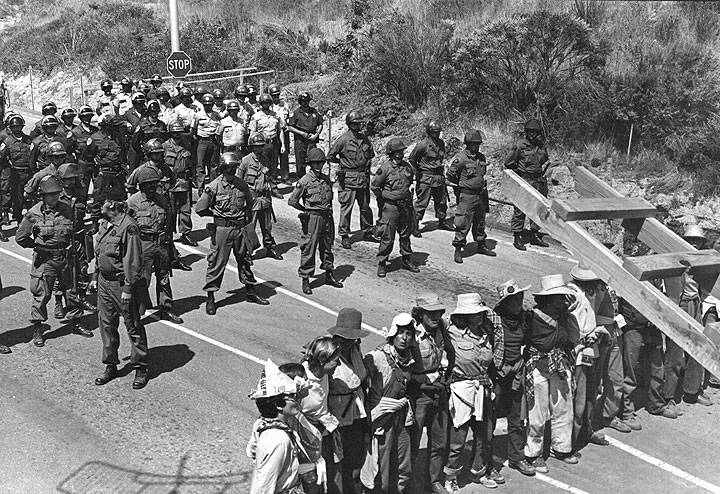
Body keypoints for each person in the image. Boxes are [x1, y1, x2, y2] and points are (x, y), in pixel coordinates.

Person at [443, 293, 504, 492]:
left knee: (484, 434)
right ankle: (450, 476)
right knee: (458, 437)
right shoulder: (451, 332)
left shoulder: (487, 332)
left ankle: (478, 470)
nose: (479, 316)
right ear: (464, 316)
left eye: (480, 312)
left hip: (482, 388)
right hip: (461, 390)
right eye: (474, 313)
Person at [196, 152, 269, 315]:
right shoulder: (214, 186)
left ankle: (250, 291)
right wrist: (217, 215)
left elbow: (250, 204)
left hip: (240, 229)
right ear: (222, 169)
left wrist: (247, 225)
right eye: (228, 168)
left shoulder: (242, 185)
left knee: (245, 260)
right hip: (222, 230)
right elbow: (200, 209)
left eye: (234, 168)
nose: (231, 171)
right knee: (216, 262)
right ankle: (210, 298)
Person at [93, 199, 149, 390]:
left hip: (121, 284)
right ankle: (111, 365)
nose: (97, 203)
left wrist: (127, 288)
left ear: (112, 206)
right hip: (103, 282)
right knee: (106, 324)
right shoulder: (104, 223)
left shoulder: (128, 227)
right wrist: (95, 276)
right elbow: (99, 252)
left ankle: (141, 366)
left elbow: (133, 261)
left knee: (132, 324)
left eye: (102, 202)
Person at [524, 274, 579, 473]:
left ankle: (562, 448)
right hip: (538, 366)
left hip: (560, 365)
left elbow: (573, 339)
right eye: (558, 297)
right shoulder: (531, 317)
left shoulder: (565, 317)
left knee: (563, 408)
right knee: (537, 413)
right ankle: (533, 453)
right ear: (547, 299)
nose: (562, 301)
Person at [15, 175, 75, 347]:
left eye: (56, 193)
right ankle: (38, 329)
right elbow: (20, 237)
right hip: (45, 260)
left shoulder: (67, 209)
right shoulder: (33, 213)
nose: (55, 197)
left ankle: (76, 322)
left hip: (64, 257)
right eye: (51, 194)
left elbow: (73, 232)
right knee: (42, 295)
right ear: (42, 195)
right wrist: (37, 246)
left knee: (71, 291)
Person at [361, 313, 416, 494]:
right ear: (393, 334)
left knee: (404, 463)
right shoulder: (376, 357)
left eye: (408, 334)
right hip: (382, 417)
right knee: (381, 464)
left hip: (401, 415)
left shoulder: (410, 358)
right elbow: (361, 381)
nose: (404, 338)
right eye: (400, 333)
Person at [662, 225, 713, 407]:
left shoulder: (701, 259)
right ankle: (668, 396)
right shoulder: (676, 258)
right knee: (675, 352)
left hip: (695, 302)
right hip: (680, 303)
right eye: (691, 240)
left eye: (697, 241)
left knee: (698, 348)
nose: (694, 244)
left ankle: (692, 391)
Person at [408, 293, 454, 493]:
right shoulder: (411, 334)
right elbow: (404, 369)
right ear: (420, 314)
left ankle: (433, 480)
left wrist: (446, 378)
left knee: (439, 441)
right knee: (413, 441)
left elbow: (450, 354)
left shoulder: (441, 329)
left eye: (438, 312)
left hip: (438, 390)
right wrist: (424, 384)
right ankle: (406, 483)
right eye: (431, 313)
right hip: (419, 393)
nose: (435, 316)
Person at [126, 166, 184, 324]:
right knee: (142, 280)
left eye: (155, 184)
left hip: (161, 244)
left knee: (164, 277)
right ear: (141, 186)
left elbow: (168, 222)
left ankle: (166, 308)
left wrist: (169, 244)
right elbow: (125, 227)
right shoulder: (133, 202)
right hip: (143, 245)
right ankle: (137, 312)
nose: (153, 187)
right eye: (149, 184)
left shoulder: (162, 200)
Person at [565, 265, 614, 450]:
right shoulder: (573, 292)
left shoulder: (593, 291)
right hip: (579, 350)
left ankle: (586, 430)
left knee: (592, 393)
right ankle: (569, 441)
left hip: (593, 348)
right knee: (579, 397)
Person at [492, 280, 536, 476]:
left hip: (516, 374)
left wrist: (519, 364)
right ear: (504, 303)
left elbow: (528, 343)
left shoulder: (524, 320)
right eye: (514, 299)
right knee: (489, 419)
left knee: (517, 418)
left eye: (520, 298)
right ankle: (486, 460)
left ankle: (516, 457)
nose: (519, 302)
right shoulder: (494, 321)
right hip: (498, 376)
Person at [288, 148, 343, 295]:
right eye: (315, 163)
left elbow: (329, 200)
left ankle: (329, 274)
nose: (318, 165)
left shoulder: (326, 180)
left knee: (327, 246)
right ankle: (306, 279)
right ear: (310, 164)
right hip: (312, 218)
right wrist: (305, 210)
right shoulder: (304, 181)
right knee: (309, 248)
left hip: (326, 216)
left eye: (321, 162)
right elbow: (292, 201)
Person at [326, 308, 370, 494]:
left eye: (351, 338)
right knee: (337, 464)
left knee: (355, 459)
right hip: (337, 417)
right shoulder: (326, 353)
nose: (346, 342)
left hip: (356, 414)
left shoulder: (355, 350)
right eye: (343, 338)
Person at [247, 359, 305, 494]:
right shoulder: (278, 440)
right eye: (292, 396)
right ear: (278, 404)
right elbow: (263, 488)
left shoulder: (263, 422)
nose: (297, 400)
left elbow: (251, 450)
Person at [54, 163, 95, 337]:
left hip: (77, 240)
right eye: (67, 179)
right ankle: (58, 301)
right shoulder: (55, 197)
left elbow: (85, 216)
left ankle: (77, 316)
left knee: (81, 273)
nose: (71, 182)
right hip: (62, 243)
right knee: (61, 278)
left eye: (73, 179)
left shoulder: (79, 195)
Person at [328, 110, 376, 250]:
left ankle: (367, 231)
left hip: (362, 178)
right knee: (346, 208)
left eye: (360, 123)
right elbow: (330, 155)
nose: (358, 126)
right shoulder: (343, 139)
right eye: (355, 124)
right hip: (348, 179)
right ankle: (344, 235)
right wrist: (343, 163)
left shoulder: (365, 139)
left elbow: (370, 156)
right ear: (350, 124)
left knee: (365, 207)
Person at [372, 138, 419, 278]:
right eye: (397, 151)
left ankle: (406, 259)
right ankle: (382, 263)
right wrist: (383, 200)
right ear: (391, 153)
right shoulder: (385, 168)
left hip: (405, 206)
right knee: (387, 236)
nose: (400, 154)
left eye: (402, 151)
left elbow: (410, 182)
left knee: (405, 234)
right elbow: (375, 186)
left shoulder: (407, 167)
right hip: (391, 207)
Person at [446, 129, 495, 262]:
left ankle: (480, 244)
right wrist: (463, 185)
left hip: (480, 195)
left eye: (478, 144)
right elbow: (450, 175)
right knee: (463, 222)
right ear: (467, 144)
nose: (476, 146)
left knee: (480, 222)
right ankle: (458, 248)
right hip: (466, 196)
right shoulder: (460, 158)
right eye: (473, 144)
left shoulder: (481, 158)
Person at [301, 336, 342, 493]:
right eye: (335, 360)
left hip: (323, 435)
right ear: (323, 360)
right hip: (306, 442)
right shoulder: (301, 380)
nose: (338, 364)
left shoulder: (324, 375)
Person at [504, 119, 551, 251]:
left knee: (538, 209)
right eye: (530, 132)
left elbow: (545, 160)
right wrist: (520, 173)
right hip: (524, 180)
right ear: (526, 132)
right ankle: (517, 236)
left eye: (534, 132)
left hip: (538, 181)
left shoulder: (541, 146)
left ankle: (534, 234)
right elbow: (508, 163)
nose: (532, 134)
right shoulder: (520, 145)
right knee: (520, 209)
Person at [619, 297, 667, 421]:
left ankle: (656, 404)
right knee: (630, 368)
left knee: (657, 366)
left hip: (652, 323)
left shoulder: (655, 277)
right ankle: (626, 410)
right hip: (633, 324)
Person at [237, 133, 283, 261]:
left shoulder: (265, 160)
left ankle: (269, 247)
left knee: (267, 226)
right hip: (252, 198)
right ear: (251, 147)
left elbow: (270, 177)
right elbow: (238, 181)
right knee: (250, 226)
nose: (259, 148)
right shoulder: (245, 161)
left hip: (265, 197)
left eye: (261, 146)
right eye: (256, 146)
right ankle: (247, 251)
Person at [410, 121, 451, 238]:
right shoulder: (423, 145)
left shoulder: (441, 144)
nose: (436, 134)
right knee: (422, 203)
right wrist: (418, 172)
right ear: (429, 132)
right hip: (426, 178)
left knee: (442, 201)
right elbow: (412, 159)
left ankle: (442, 221)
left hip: (438, 177)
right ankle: (415, 225)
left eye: (438, 132)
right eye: (434, 132)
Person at [85, 114, 127, 229]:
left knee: (120, 197)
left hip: (117, 172)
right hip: (103, 172)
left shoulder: (118, 137)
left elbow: (122, 154)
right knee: (99, 197)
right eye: (111, 126)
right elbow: (88, 155)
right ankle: (95, 222)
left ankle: (118, 220)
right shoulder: (94, 138)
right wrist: (96, 169)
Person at [163, 121, 196, 246]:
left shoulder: (186, 145)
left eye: (179, 133)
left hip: (183, 181)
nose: (177, 135)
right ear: (170, 133)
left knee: (185, 209)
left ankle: (185, 234)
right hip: (170, 182)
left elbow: (191, 163)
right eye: (174, 133)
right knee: (170, 210)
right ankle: (169, 234)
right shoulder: (165, 146)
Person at [0, 114, 32, 229]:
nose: (17, 130)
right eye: (15, 127)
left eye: (19, 127)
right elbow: (2, 159)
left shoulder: (28, 140)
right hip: (16, 174)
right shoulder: (7, 142)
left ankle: (31, 221)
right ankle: (18, 220)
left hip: (28, 173)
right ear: (10, 128)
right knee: (17, 200)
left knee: (30, 198)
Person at [249, 94, 285, 181]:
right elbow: (252, 132)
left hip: (274, 142)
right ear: (261, 104)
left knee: (274, 163)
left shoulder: (275, 115)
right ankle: (263, 182)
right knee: (263, 164)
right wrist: (252, 146)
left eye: (268, 103)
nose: (266, 105)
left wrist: (283, 144)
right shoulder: (256, 116)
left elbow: (280, 131)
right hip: (262, 144)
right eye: (264, 103)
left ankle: (273, 184)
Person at [287, 92, 322, 179]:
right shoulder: (296, 113)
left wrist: (316, 134)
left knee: (314, 159)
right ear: (300, 102)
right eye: (303, 101)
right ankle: (301, 180)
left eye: (307, 101)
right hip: (300, 141)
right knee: (300, 162)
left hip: (312, 140)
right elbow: (290, 127)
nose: (305, 103)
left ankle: (313, 178)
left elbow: (320, 123)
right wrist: (301, 133)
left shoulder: (314, 112)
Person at [192, 93, 222, 188]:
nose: (207, 106)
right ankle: (200, 186)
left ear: (213, 105)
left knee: (213, 165)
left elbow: (219, 128)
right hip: (202, 141)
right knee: (200, 165)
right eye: (205, 104)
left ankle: (213, 186)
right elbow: (193, 129)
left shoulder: (217, 115)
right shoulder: (198, 115)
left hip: (213, 141)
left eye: (209, 104)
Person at [70, 105, 99, 201]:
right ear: (80, 118)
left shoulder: (95, 130)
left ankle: (97, 213)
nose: (87, 119)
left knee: (98, 189)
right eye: (84, 117)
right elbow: (70, 149)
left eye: (89, 116)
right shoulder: (75, 132)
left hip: (95, 163)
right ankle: (80, 213)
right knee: (82, 190)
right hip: (82, 164)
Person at [268, 85, 292, 182]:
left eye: (277, 95)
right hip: (273, 132)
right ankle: (273, 176)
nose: (276, 97)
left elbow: (289, 117)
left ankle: (285, 176)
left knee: (284, 154)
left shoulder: (284, 105)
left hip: (284, 132)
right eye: (273, 96)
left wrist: (287, 124)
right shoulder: (268, 106)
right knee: (273, 155)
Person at [122, 92, 147, 171]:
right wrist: (126, 124)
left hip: (145, 142)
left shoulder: (147, 112)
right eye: (138, 103)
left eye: (141, 103)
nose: (140, 105)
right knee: (133, 166)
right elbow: (116, 121)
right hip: (132, 144)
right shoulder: (128, 113)